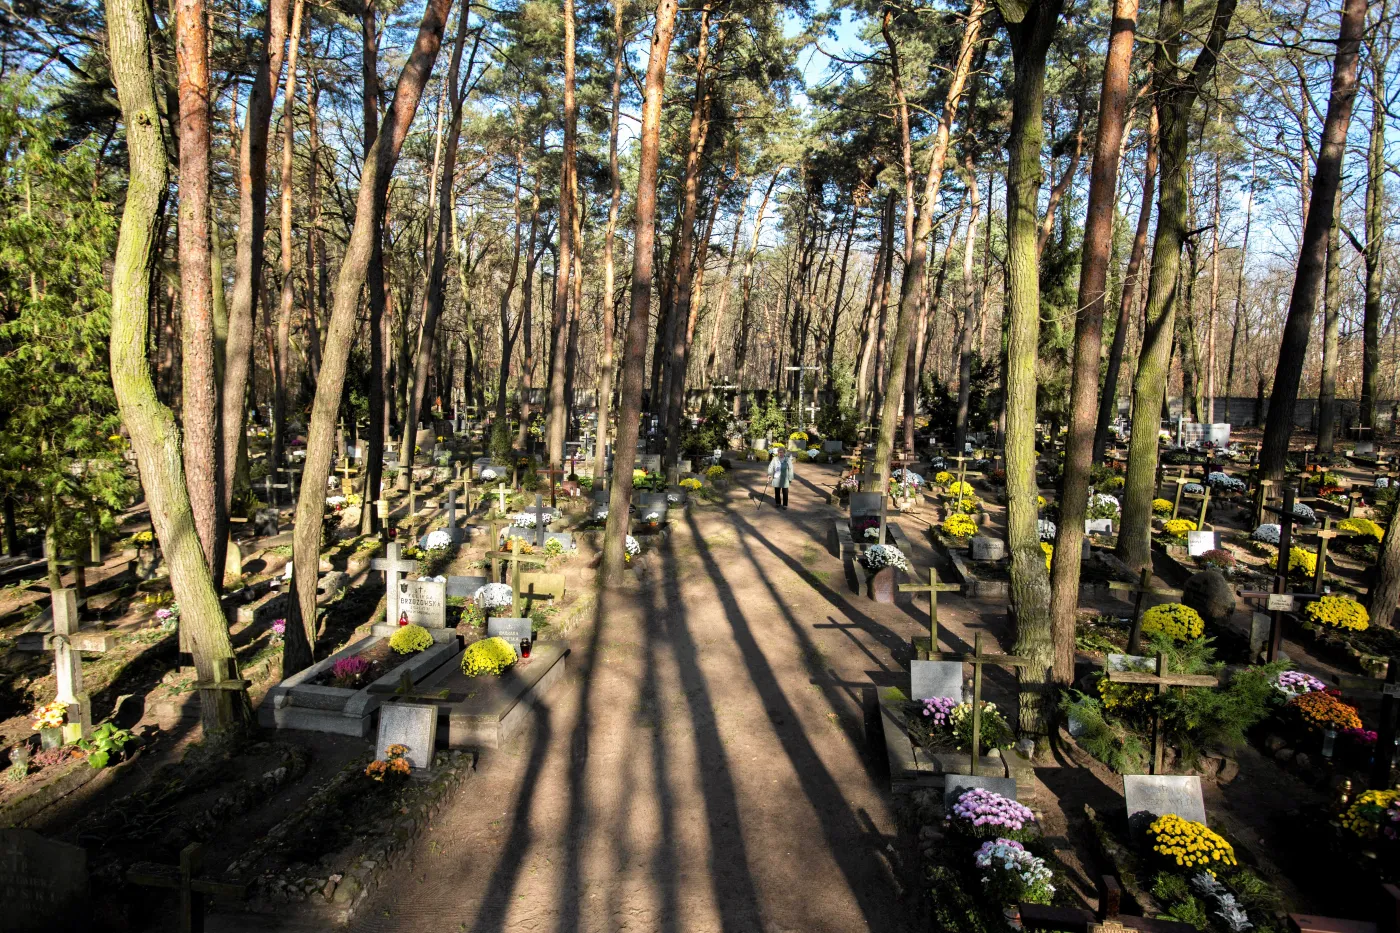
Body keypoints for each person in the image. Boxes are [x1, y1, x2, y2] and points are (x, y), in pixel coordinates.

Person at [767, 444, 794, 508]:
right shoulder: (775, 459)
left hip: (785, 478)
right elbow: (771, 466)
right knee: (777, 491)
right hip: (777, 477)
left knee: (785, 492)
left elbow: (790, 468)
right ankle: (778, 503)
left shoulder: (787, 459)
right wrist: (769, 474)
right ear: (777, 453)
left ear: (784, 453)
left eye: (782, 452)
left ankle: (785, 505)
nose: (780, 454)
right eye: (779, 452)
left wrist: (790, 478)